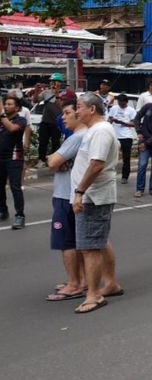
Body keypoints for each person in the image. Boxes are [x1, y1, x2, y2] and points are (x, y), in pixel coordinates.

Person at [70, 93, 122, 313]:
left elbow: (96, 165)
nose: (76, 111)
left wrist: (80, 192)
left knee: (89, 247)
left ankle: (94, 294)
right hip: (93, 195)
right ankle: (110, 283)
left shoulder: (100, 131)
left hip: (93, 196)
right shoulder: (95, 130)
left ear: (92, 109)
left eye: (79, 107)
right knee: (99, 241)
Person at [46, 98, 87, 301]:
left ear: (78, 114)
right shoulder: (86, 135)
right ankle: (82, 280)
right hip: (74, 194)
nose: (63, 118)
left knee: (66, 242)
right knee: (78, 241)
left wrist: (53, 159)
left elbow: (53, 161)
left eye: (67, 113)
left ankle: (74, 284)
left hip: (65, 195)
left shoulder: (77, 137)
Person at [0, 95, 27, 229]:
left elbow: (11, 128)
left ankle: (20, 216)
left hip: (14, 158)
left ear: (17, 108)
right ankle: (3, 210)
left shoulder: (20, 120)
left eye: (9, 104)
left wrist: (1, 114)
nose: (6, 106)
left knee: (15, 187)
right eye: (5, 104)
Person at [35, 72, 64, 164]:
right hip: (45, 121)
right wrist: (36, 90)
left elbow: (61, 108)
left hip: (56, 123)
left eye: (56, 81)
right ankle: (41, 159)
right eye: (52, 81)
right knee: (43, 141)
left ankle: (54, 160)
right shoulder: (46, 92)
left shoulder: (64, 93)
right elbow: (35, 100)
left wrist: (57, 94)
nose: (54, 83)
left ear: (60, 82)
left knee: (56, 142)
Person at [107, 93, 137, 184]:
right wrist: (111, 122)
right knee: (111, 156)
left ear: (126, 102)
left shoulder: (131, 110)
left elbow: (133, 124)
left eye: (122, 102)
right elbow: (109, 120)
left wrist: (121, 122)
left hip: (126, 136)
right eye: (119, 102)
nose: (120, 104)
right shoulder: (114, 109)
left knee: (126, 157)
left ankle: (125, 176)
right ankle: (109, 175)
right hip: (115, 136)